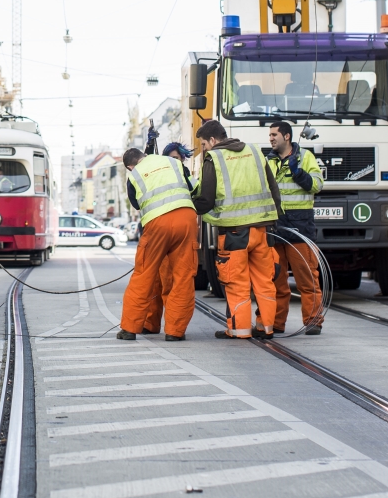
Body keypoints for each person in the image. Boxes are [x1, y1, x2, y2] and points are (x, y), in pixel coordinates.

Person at [192, 120, 285, 340]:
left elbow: (206, 199)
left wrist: (187, 204)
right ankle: (266, 327)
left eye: (204, 144)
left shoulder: (213, 158)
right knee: (265, 281)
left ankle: (239, 330)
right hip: (263, 230)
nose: (204, 148)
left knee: (236, 283)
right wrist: (275, 219)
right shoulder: (255, 151)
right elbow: (273, 187)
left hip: (234, 233)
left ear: (213, 140)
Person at [116, 147, 199, 341]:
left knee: (144, 274)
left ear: (130, 166)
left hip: (157, 223)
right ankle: (175, 332)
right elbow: (194, 188)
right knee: (183, 276)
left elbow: (136, 204)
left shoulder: (134, 175)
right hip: (186, 219)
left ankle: (129, 329)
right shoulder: (173, 163)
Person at [268, 120, 325, 335]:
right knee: (276, 280)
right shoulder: (269, 161)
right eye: (270, 135)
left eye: (275, 134)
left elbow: (317, 185)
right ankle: (275, 323)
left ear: (287, 137)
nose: (271, 138)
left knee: (307, 278)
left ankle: (313, 321)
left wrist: (298, 173)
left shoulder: (305, 158)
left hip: (300, 227)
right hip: (276, 227)